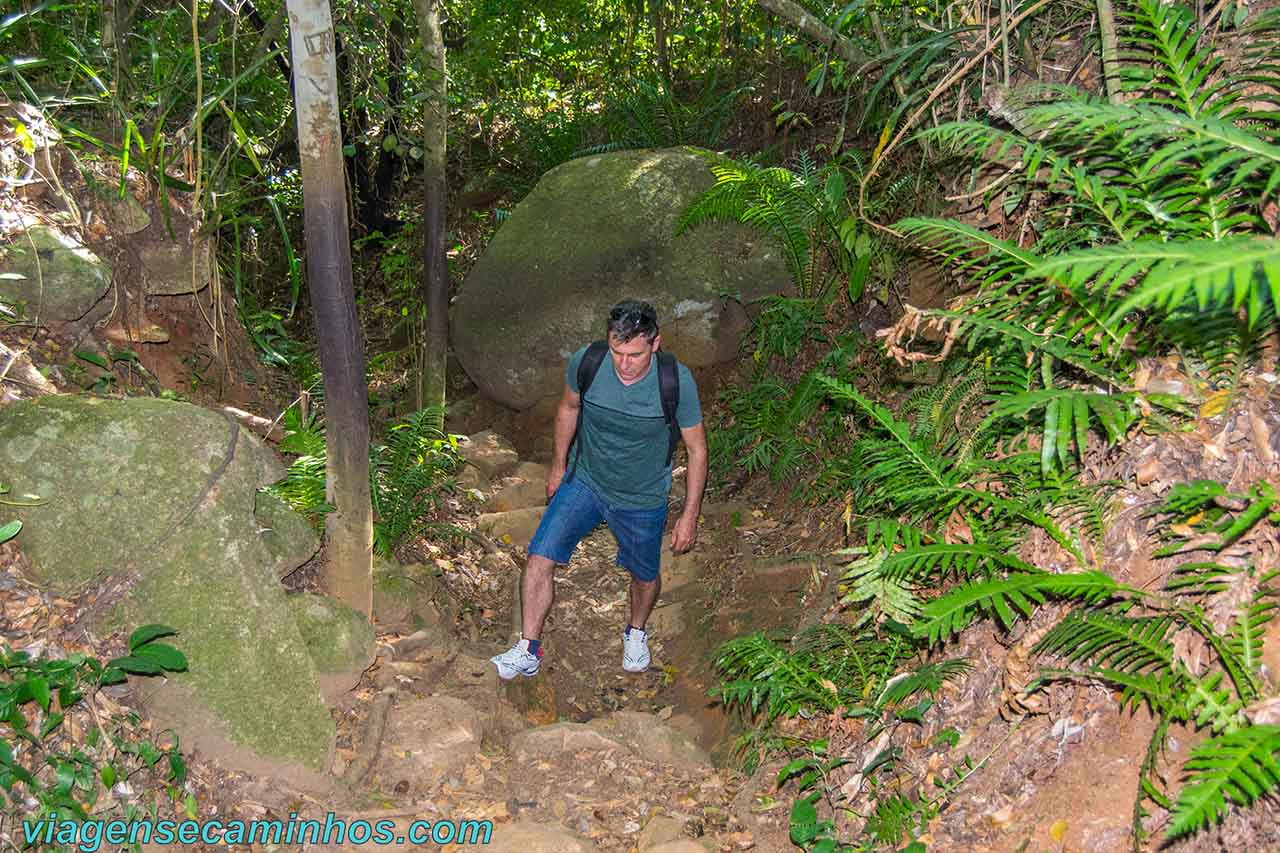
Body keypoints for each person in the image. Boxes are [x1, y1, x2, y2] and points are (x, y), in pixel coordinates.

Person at [490, 300, 707, 679]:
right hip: (586, 480)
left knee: (644, 576)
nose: (623, 363)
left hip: (642, 496)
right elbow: (568, 409)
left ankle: (636, 631)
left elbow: (697, 448)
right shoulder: (587, 362)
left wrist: (689, 515)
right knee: (540, 558)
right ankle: (528, 648)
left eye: (634, 354)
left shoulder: (675, 381)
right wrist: (558, 467)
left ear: (655, 345)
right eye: (617, 351)